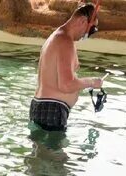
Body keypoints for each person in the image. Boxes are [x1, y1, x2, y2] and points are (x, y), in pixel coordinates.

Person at [30, 3, 105, 134]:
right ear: (82, 21)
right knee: (52, 154)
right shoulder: (65, 41)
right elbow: (66, 84)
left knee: (42, 153)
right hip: (52, 110)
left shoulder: (56, 37)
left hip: (42, 107)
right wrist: (92, 82)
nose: (86, 36)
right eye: (91, 30)